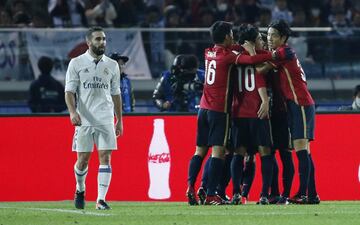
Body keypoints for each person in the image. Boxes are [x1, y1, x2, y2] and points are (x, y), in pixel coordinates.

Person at [186, 21, 277, 205]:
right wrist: (265, 53)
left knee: (199, 151)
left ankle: (190, 187)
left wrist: (244, 45)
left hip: (203, 108)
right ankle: (211, 194)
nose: (234, 37)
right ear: (227, 36)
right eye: (231, 34)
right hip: (219, 111)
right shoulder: (229, 57)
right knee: (218, 153)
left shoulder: (208, 52)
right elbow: (251, 61)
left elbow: (236, 49)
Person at [64, 26, 123, 210]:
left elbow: (116, 93)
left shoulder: (112, 65)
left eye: (104, 39)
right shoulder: (76, 63)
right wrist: (73, 112)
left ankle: (101, 199)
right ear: (89, 42)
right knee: (83, 160)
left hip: (105, 117)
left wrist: (119, 119)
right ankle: (80, 189)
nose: (102, 42)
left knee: (105, 157)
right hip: (84, 119)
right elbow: (69, 91)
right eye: (98, 39)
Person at [266, 20, 320, 204]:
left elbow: (263, 66)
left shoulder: (284, 52)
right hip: (299, 105)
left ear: (283, 37)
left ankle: (303, 194)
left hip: (301, 104)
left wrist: (248, 54)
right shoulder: (284, 54)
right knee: (305, 151)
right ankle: (311, 194)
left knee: (301, 150)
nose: (269, 38)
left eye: (273, 35)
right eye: (268, 34)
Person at [229, 24, 273, 205]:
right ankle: (263, 195)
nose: (262, 41)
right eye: (259, 38)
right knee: (265, 153)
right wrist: (265, 101)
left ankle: (236, 194)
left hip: (238, 113)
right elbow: (260, 81)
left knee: (238, 154)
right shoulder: (259, 59)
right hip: (257, 112)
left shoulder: (234, 57)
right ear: (252, 41)